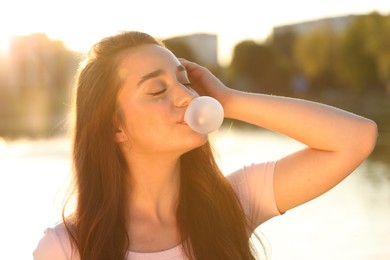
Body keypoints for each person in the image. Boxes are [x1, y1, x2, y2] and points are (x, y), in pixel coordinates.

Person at [33, 31, 377, 260]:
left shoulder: (233, 202)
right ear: (115, 127)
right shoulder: (66, 248)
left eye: (184, 81)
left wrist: (230, 100)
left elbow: (356, 139)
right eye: (157, 90)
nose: (186, 96)